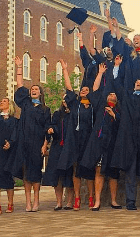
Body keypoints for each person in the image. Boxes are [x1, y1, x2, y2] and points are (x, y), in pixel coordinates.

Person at [111, 49, 140, 210]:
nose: (138, 83)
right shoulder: (128, 99)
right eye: (136, 83)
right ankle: (130, 201)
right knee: (131, 171)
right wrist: (116, 66)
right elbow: (117, 85)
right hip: (130, 138)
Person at [9, 57, 51, 212]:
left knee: (35, 173)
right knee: (26, 173)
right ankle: (27, 202)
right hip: (24, 143)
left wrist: (45, 144)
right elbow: (19, 85)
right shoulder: (25, 103)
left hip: (37, 144)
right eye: (32, 89)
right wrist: (19, 67)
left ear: (40, 93)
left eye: (36, 89)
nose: (33, 90)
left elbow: (47, 128)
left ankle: (36, 201)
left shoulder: (45, 110)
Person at [80, 61, 122, 211]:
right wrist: (100, 73)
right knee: (99, 170)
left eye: (113, 95)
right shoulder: (100, 107)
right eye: (109, 94)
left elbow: (121, 128)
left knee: (113, 173)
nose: (111, 95)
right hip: (98, 143)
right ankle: (97, 201)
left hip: (113, 145)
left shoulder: (119, 112)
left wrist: (114, 116)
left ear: (116, 100)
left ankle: (114, 200)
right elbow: (95, 89)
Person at [59, 60, 95, 211]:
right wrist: (65, 70)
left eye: (86, 89)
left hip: (88, 140)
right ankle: (77, 198)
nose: (83, 90)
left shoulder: (93, 106)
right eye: (82, 89)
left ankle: (92, 197)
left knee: (89, 170)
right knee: (76, 170)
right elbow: (68, 88)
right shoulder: (75, 104)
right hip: (75, 140)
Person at [42, 94, 75, 210]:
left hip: (70, 147)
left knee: (69, 175)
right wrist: (51, 130)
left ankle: (70, 202)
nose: (65, 100)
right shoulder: (57, 114)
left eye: (67, 98)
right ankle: (59, 202)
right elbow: (52, 126)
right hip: (57, 146)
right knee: (56, 175)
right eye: (64, 98)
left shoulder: (74, 114)